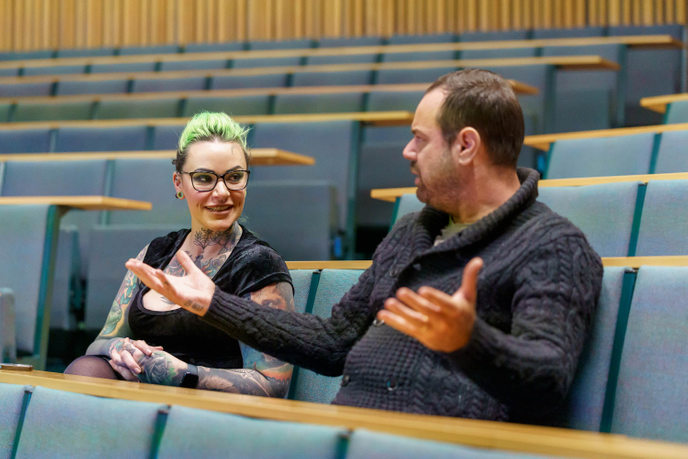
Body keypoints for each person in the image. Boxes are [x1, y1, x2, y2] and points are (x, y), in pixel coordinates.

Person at [126, 69, 604, 421]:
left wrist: (468, 341)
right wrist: (214, 302)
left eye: (420, 139)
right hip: (351, 432)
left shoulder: (555, 247)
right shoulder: (412, 232)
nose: (407, 152)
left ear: (466, 146)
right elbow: (334, 342)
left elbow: (547, 381)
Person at [65, 112, 295, 398]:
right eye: (204, 178)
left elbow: (274, 383)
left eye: (234, 177)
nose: (222, 192)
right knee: (86, 369)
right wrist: (119, 348)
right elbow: (101, 342)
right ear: (178, 183)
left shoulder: (259, 263)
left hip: (211, 410)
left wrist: (182, 374)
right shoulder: (156, 252)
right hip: (140, 401)